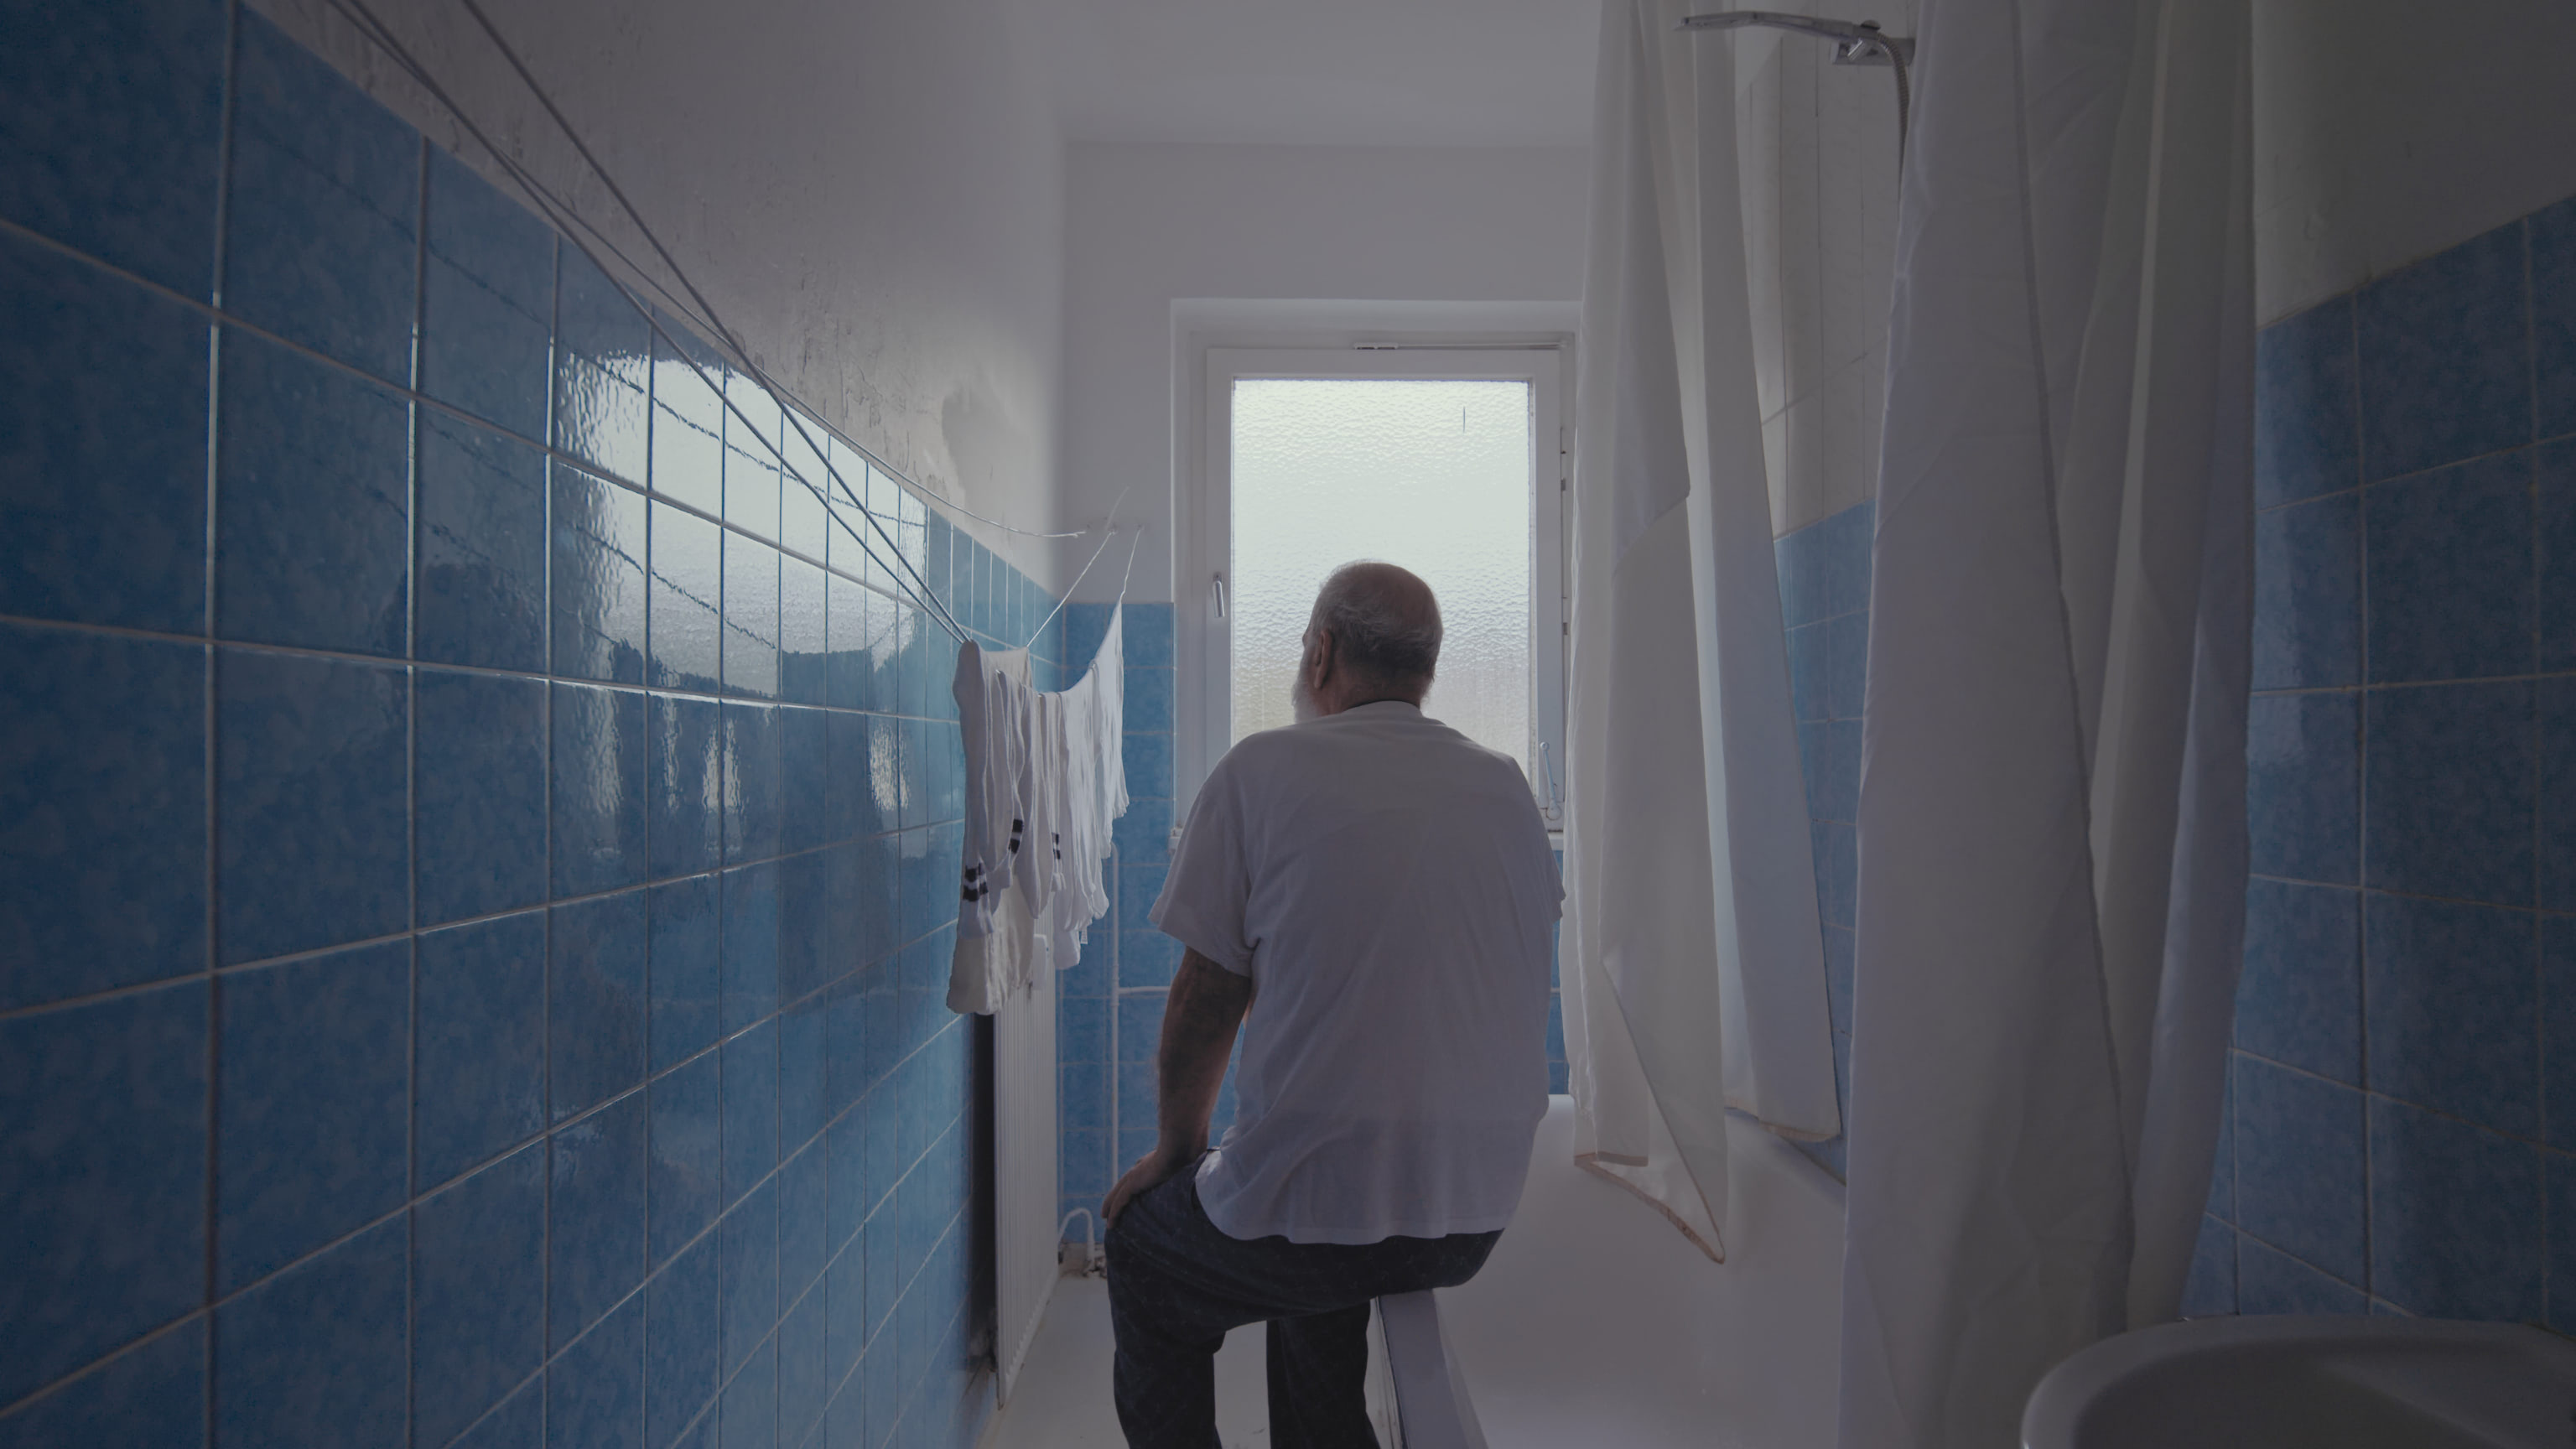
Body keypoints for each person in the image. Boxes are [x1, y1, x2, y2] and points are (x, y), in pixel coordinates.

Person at [1101, 560, 1561, 1449]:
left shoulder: (1263, 770)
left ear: (1320, 654)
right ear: (1426, 671)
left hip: (1331, 1211)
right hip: (1473, 1214)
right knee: (1309, 1232)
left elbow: (1206, 999)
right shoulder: (1505, 787)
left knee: (1146, 1257)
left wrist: (1177, 1155)